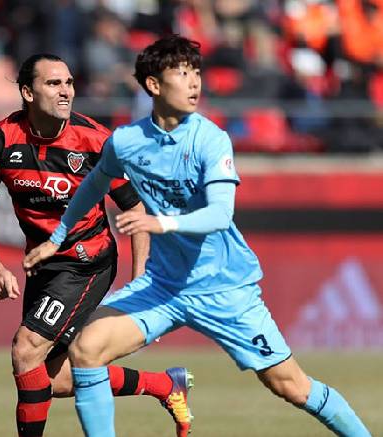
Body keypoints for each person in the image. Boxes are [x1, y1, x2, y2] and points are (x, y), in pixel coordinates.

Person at [23, 35, 372, 437]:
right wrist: (58, 236)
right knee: (86, 350)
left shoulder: (210, 138)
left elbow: (221, 213)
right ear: (154, 85)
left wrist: (161, 224)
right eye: (182, 73)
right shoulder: (126, 141)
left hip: (225, 289)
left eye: (196, 73)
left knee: (290, 386)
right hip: (164, 287)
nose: (194, 83)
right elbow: (95, 183)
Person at [0, 53, 193, 437]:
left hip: (87, 262)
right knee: (50, 379)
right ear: (28, 92)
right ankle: (166, 387)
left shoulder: (96, 141)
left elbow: (136, 210)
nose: (66, 90)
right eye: (54, 83)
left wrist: (137, 286)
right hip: (42, 266)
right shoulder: (1, 139)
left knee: (25, 349)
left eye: (68, 82)